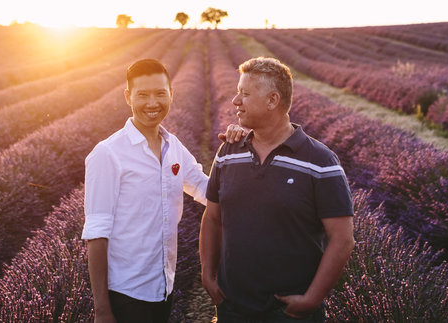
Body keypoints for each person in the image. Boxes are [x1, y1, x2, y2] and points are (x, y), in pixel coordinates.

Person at [82, 58, 244, 323]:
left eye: (160, 93)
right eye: (142, 95)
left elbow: (205, 188)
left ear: (171, 94)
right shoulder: (107, 154)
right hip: (126, 293)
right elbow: (97, 234)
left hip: (164, 286)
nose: (152, 103)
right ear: (128, 97)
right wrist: (102, 310)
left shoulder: (174, 146)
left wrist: (237, 151)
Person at [200, 57, 354, 322]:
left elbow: (342, 240)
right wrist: (207, 276)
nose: (235, 101)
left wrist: (311, 299)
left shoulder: (320, 161)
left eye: (245, 94)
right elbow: (212, 218)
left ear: (273, 100)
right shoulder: (228, 152)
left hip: (288, 313)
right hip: (232, 307)